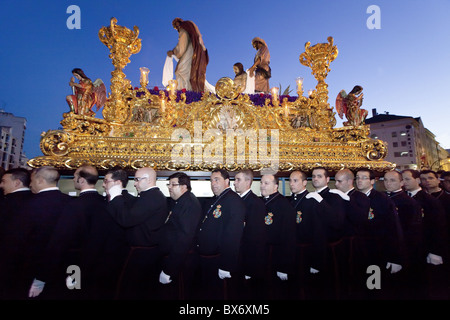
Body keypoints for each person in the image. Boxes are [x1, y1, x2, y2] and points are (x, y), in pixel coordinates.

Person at [106, 167, 168, 299]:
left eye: (137, 180)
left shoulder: (152, 197)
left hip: (142, 255)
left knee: (133, 291)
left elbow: (126, 219)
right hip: (144, 253)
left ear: (149, 180)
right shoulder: (149, 196)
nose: (135, 183)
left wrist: (116, 196)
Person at [192, 168, 245, 300]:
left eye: (217, 180)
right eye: (211, 181)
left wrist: (226, 265)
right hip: (207, 260)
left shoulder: (234, 201)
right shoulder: (215, 200)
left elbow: (233, 236)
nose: (213, 184)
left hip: (219, 260)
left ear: (227, 181)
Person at [354, 168, 404, 299]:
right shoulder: (354, 198)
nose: (359, 180)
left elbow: (393, 228)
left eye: (364, 178)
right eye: (357, 177)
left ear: (372, 181)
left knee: (375, 287)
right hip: (359, 252)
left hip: (377, 253)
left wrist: (395, 258)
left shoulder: (382, 199)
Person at [24, 166, 72, 299]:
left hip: (34, 268)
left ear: (40, 181)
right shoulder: (71, 203)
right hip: (68, 268)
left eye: (32, 180)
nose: (30, 184)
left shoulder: (29, 205)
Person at [402, 169, 449, 299]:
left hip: (426, 248)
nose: (404, 182)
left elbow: (438, 226)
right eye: (402, 179)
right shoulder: (403, 197)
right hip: (410, 249)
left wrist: (435, 251)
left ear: (416, 181)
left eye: (407, 179)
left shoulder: (429, 200)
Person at [156, 172, 202, 300]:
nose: (169, 187)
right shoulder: (181, 202)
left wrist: (169, 269)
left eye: (173, 184)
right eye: (168, 184)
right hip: (176, 260)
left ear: (183, 187)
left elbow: (184, 239)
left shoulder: (189, 204)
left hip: (181, 263)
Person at [384, 170, 424, 299]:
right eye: (385, 180)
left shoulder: (408, 202)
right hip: (386, 250)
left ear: (401, 183)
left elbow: (409, 233)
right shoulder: (384, 198)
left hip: (401, 253)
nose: (388, 183)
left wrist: (398, 258)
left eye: (392, 180)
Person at [288, 170, 327, 300]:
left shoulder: (311, 200)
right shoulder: (291, 201)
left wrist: (316, 262)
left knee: (308, 290)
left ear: (305, 182)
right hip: (294, 252)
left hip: (308, 253)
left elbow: (318, 232)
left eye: (295, 181)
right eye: (290, 181)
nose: (291, 184)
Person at [334, 168, 371, 298]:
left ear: (349, 181)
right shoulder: (336, 196)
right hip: (340, 244)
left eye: (339, 181)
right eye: (335, 181)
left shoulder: (360, 197)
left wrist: (347, 200)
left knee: (355, 277)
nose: (336, 184)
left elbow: (360, 219)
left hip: (355, 245)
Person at [260, 173, 296, 300]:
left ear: (276, 186)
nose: (262, 186)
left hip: (276, 257)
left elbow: (289, 238)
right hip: (263, 257)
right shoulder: (261, 202)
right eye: (261, 183)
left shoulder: (284, 206)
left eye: (266, 183)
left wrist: (284, 267)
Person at [233, 169, 267, 300]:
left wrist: (250, 268)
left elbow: (255, 237)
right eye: (235, 179)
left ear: (248, 182)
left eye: (238, 180)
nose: (234, 183)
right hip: (238, 256)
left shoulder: (255, 203)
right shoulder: (237, 200)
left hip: (248, 260)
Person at [0, 168, 33, 299]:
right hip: (29, 267)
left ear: (17, 183)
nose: (1, 185)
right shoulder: (37, 201)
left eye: (3, 181)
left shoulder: (5, 204)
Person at [167, 18, 209, 92]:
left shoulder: (183, 28)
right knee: (190, 72)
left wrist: (173, 52)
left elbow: (182, 45)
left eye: (176, 25)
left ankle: (185, 92)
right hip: (196, 52)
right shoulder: (190, 27)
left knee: (180, 71)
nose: (176, 28)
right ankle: (191, 91)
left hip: (190, 52)